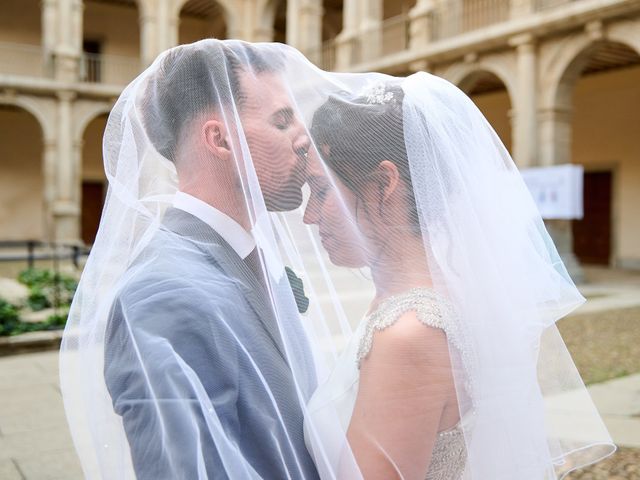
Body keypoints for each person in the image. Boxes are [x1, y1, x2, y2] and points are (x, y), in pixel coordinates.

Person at [302, 74, 615, 479]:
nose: (309, 216)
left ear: (383, 184)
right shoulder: (443, 298)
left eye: (321, 191)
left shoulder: (411, 334)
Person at [60, 40, 320, 479]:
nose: (304, 138)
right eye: (282, 120)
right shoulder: (161, 294)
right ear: (219, 139)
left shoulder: (254, 256)